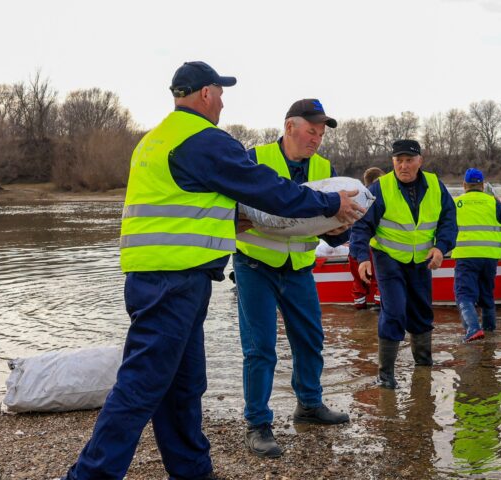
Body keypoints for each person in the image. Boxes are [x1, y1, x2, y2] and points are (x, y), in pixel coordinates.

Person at [62, 63, 363, 480]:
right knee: (141, 387)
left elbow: (186, 207)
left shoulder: (156, 139)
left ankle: (192, 471)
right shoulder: (203, 140)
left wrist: (231, 222)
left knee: (183, 387)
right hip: (173, 280)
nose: (222, 101)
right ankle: (88, 476)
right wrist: (331, 206)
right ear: (205, 92)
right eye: (220, 92)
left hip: (163, 277)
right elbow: (267, 188)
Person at [233, 98, 354, 459]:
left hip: (300, 265)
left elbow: (324, 226)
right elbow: (230, 209)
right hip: (255, 264)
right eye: (311, 130)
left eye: (320, 133)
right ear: (290, 127)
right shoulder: (254, 159)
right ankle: (257, 423)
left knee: (310, 339)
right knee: (260, 348)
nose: (317, 139)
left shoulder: (323, 167)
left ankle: (309, 405)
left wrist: (343, 228)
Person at [350, 139, 457, 389]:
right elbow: (361, 225)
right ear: (392, 162)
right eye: (399, 161)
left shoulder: (434, 185)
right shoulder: (380, 188)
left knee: (421, 311)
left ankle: (423, 367)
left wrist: (441, 247)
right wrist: (362, 258)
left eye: (409, 160)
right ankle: (386, 375)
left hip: (421, 260)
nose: (404, 166)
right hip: (388, 258)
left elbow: (449, 220)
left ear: (420, 161)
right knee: (395, 310)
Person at [452, 167, 501, 342]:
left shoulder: (456, 203)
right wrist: (496, 199)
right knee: (487, 295)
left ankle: (473, 329)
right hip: (490, 256)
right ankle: (490, 331)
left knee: (464, 294)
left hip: (467, 255)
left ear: (464, 185)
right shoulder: (494, 203)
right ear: (482, 185)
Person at [348, 166, 385, 309]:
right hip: (372, 249)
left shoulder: (355, 198)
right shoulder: (379, 197)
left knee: (358, 283)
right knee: (379, 281)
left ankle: (360, 313)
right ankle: (379, 310)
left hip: (354, 251)